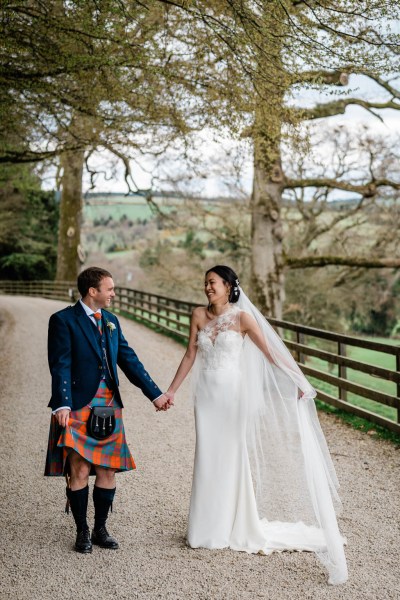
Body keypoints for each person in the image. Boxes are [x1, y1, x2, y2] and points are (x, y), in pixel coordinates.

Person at [166, 265, 348, 585]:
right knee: (207, 458)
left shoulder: (242, 318)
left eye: (213, 283)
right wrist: (171, 390)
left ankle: (234, 524)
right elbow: (189, 355)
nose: (207, 287)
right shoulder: (197, 314)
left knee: (231, 457)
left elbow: (271, 353)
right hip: (206, 397)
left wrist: (298, 381)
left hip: (233, 397)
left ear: (228, 286)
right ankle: (205, 527)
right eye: (205, 283)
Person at [45, 267, 172, 554]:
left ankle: (101, 528)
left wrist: (156, 394)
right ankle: (82, 531)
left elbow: (129, 361)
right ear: (93, 291)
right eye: (110, 288)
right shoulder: (63, 320)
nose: (114, 293)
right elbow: (60, 364)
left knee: (108, 468)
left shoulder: (112, 321)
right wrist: (62, 403)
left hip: (108, 404)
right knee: (79, 467)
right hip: (78, 404)